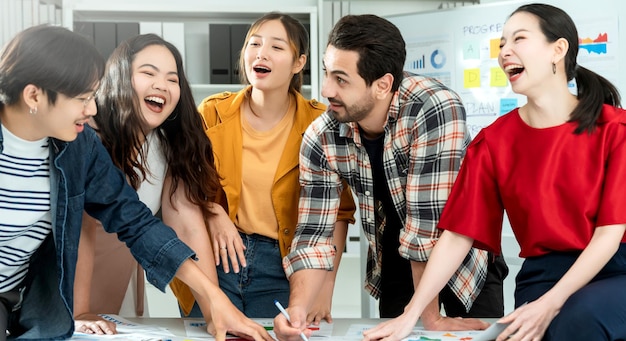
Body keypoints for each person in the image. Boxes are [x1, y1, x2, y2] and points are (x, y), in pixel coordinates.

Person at [363, 3, 626, 341]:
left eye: (519, 39)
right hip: (543, 275)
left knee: (577, 320)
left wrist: (551, 304)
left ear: (557, 50)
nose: (505, 52)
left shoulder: (615, 130)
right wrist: (411, 313)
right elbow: (458, 235)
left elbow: (609, 233)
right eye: (502, 43)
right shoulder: (495, 141)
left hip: (615, 269)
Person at [0, 25, 272, 341]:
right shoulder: (89, 134)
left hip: (28, 301)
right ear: (34, 95)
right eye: (82, 98)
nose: (92, 109)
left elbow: (137, 223)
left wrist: (213, 299)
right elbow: (85, 230)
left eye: (92, 96)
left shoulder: (79, 145)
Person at [274, 13, 508, 341]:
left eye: (341, 79)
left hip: (460, 260)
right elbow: (314, 235)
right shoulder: (322, 134)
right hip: (395, 262)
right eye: (327, 73)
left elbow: (427, 227)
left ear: (383, 84)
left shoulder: (433, 108)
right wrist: (298, 308)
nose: (326, 89)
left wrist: (430, 319)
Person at [169, 11, 356, 320]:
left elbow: (338, 214)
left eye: (277, 47)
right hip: (215, 256)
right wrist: (214, 213)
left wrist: (325, 287)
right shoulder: (212, 113)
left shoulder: (320, 123)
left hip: (284, 266)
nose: (261, 53)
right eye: (254, 44)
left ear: (299, 63)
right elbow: (182, 187)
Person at [71, 34, 229, 335]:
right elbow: (82, 227)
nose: (162, 85)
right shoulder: (87, 133)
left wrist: (215, 311)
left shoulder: (169, 146)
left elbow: (187, 225)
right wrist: (79, 309)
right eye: (148, 72)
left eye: (172, 79)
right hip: (69, 278)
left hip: (121, 277)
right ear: (119, 77)